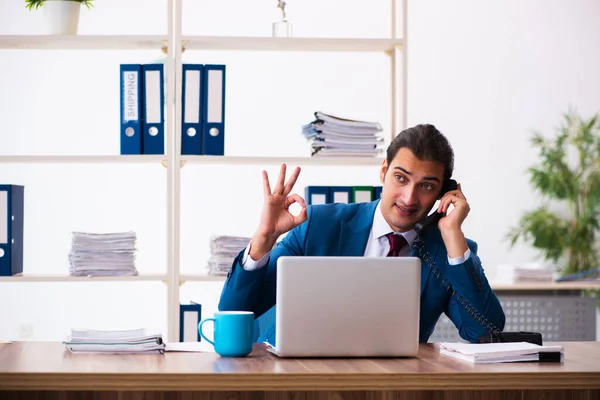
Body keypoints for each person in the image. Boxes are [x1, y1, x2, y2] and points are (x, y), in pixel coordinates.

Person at [219, 124, 505, 344]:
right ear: (384, 171)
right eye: (401, 178)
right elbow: (237, 312)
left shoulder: (446, 251)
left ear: (443, 193)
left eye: (427, 186)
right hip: (300, 379)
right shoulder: (320, 225)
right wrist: (263, 239)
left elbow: (485, 332)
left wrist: (452, 232)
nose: (409, 197)